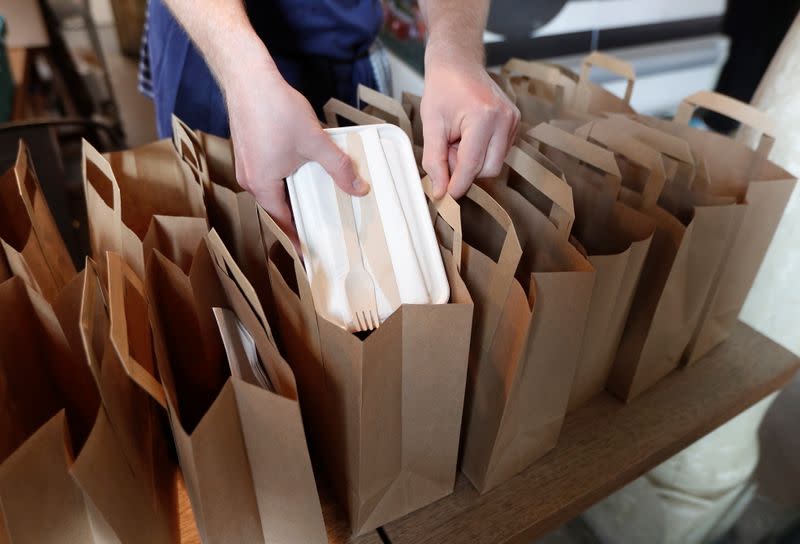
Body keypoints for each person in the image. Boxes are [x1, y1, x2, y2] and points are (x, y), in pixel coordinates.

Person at [143, 0, 520, 235]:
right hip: (221, 48)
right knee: (237, 251)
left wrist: (454, 47)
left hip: (344, 42)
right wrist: (243, 74)